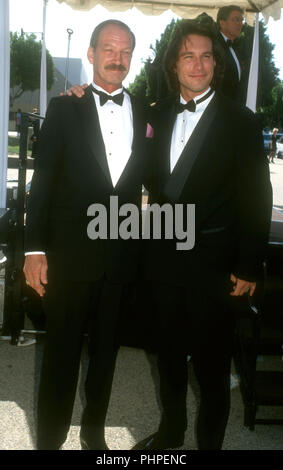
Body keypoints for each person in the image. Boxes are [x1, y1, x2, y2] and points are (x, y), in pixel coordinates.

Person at [132, 19, 272, 450]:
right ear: (174, 65)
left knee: (212, 367)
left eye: (206, 56)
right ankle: (171, 432)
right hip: (163, 261)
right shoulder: (153, 114)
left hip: (215, 263)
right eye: (188, 56)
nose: (198, 65)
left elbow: (256, 197)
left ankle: (209, 443)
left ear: (216, 64)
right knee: (168, 359)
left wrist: (248, 264)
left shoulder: (241, 122)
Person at [23, 19, 149, 450]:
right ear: (91, 54)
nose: (118, 58)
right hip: (70, 257)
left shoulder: (149, 112)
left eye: (126, 50)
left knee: (106, 356)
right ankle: (50, 441)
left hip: (120, 261)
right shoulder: (64, 107)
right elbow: (42, 185)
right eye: (109, 49)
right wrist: (35, 250)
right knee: (60, 357)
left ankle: (94, 434)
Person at [216, 5, 247, 102]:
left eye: (241, 20)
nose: (240, 24)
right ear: (222, 23)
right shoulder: (213, 46)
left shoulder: (236, 49)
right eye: (236, 19)